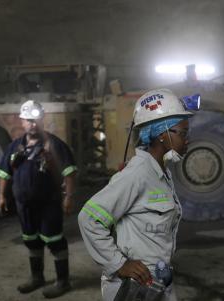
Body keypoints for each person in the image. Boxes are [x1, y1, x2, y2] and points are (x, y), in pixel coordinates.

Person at [78, 88, 197, 301]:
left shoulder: (161, 173)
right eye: (184, 133)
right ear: (163, 134)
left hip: (158, 280)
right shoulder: (137, 174)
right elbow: (89, 218)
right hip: (134, 288)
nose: (188, 140)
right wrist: (119, 264)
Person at [0, 100, 77, 299]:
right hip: (24, 205)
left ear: (42, 120)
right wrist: (1, 197)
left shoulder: (54, 144)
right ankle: (37, 277)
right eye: (28, 120)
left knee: (55, 241)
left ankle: (63, 281)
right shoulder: (15, 146)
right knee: (31, 240)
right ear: (22, 121)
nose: (32, 124)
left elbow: (70, 172)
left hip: (49, 203)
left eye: (36, 120)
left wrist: (68, 197)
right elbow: (4, 173)